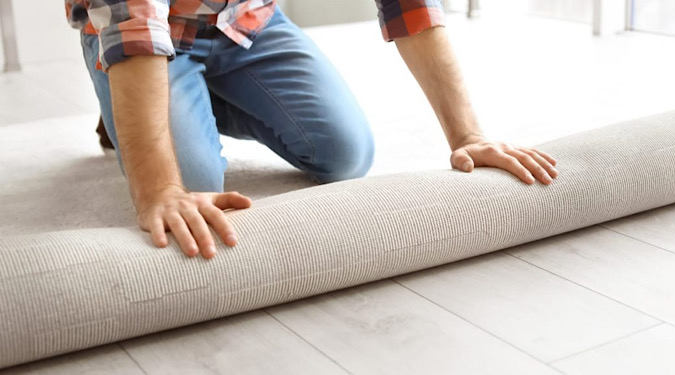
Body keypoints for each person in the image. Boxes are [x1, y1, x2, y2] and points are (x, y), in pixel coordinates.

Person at [66, 0, 558, 259]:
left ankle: (165, 105)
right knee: (192, 188)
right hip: (141, 30)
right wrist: (159, 188)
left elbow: (410, 3)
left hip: (245, 20)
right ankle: (124, 98)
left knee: (346, 153)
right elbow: (132, 26)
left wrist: (468, 135)